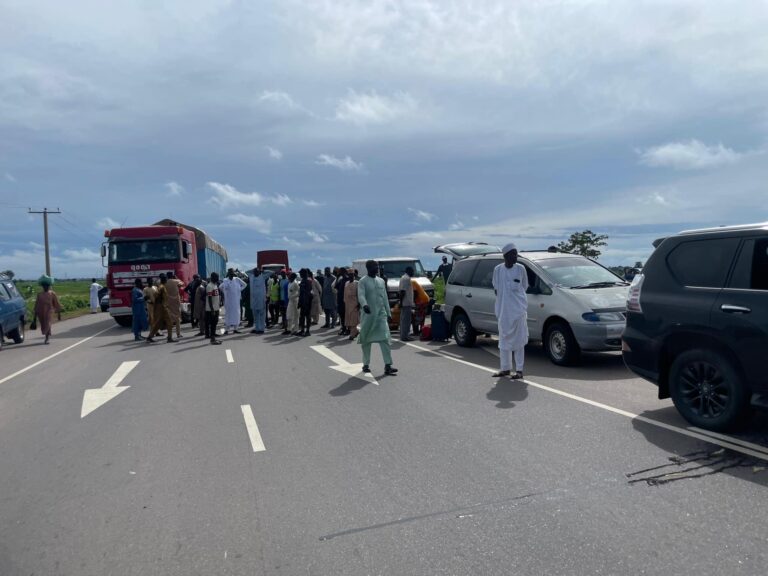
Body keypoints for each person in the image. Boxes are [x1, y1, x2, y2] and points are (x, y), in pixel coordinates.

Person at [491, 243, 529, 379]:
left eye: (516, 254)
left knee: (519, 341)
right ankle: (505, 368)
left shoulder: (521, 269)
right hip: (503, 311)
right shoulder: (497, 270)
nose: (516, 257)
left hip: (518, 311)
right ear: (505, 256)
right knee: (503, 341)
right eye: (513, 254)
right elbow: (496, 288)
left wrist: (515, 302)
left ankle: (519, 370)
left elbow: (524, 287)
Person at [358, 260, 398, 375]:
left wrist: (389, 314)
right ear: (368, 268)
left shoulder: (381, 281)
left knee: (385, 339)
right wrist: (364, 305)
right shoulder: (363, 281)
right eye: (375, 267)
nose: (377, 269)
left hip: (381, 315)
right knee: (366, 340)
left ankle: (388, 365)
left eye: (377, 267)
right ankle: (365, 364)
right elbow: (361, 295)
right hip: (368, 316)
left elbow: (384, 298)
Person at [33, 275, 61, 344]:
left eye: (46, 286)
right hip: (41, 311)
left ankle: (47, 338)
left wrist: (59, 314)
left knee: (48, 323)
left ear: (49, 286)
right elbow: (37, 304)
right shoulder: (39, 294)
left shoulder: (52, 294)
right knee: (43, 324)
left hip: (49, 311)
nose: (45, 287)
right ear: (42, 287)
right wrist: (35, 316)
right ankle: (46, 335)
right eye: (44, 286)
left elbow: (56, 303)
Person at [147, 273, 174, 343]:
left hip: (161, 306)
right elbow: (156, 294)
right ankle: (169, 338)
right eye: (166, 278)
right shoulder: (161, 287)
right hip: (162, 307)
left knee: (158, 323)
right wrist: (160, 301)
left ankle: (150, 337)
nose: (166, 280)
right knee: (169, 322)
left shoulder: (162, 286)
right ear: (164, 279)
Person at [220, 268, 246, 334]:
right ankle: (227, 330)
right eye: (230, 274)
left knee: (236, 314)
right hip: (228, 301)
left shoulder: (237, 279)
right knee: (228, 315)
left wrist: (239, 289)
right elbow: (220, 287)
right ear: (228, 274)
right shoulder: (225, 280)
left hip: (236, 301)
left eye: (232, 274)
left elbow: (245, 285)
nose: (231, 275)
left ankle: (236, 329)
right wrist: (224, 292)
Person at [165, 271, 185, 339]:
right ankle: (178, 334)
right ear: (173, 275)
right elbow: (182, 283)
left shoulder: (165, 282)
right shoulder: (176, 281)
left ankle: (169, 334)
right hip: (176, 301)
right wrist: (176, 278)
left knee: (169, 318)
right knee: (177, 318)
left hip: (168, 301)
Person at [205, 272, 223, 345]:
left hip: (216, 308)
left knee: (215, 323)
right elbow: (209, 298)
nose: (218, 278)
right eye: (217, 277)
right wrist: (212, 309)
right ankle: (212, 340)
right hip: (211, 309)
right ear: (212, 277)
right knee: (212, 324)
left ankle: (213, 337)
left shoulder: (215, 285)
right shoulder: (209, 286)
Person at [249, 267, 267, 334]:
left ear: (259, 272)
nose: (255, 272)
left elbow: (271, 272)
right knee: (255, 316)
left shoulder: (262, 277)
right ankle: (257, 328)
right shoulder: (251, 277)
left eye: (256, 271)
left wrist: (262, 271)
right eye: (254, 271)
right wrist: (253, 270)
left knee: (262, 316)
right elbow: (247, 271)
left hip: (261, 300)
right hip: (253, 300)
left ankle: (261, 329)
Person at [398, 266, 415, 341]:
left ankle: (403, 335)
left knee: (403, 320)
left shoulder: (404, 277)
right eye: (412, 271)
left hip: (406, 303)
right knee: (406, 321)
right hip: (406, 303)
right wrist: (401, 302)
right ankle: (405, 336)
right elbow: (402, 291)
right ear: (409, 271)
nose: (413, 273)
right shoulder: (406, 279)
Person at [344, 269, 360, 340]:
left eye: (352, 275)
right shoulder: (346, 283)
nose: (351, 276)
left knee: (354, 319)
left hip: (355, 304)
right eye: (349, 275)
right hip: (347, 304)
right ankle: (356, 331)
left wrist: (359, 303)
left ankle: (352, 334)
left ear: (354, 275)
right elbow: (345, 294)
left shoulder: (357, 283)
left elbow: (359, 294)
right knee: (349, 319)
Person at [298, 268, 313, 337]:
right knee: (302, 317)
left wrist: (306, 302)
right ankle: (302, 330)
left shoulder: (308, 281)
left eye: (301, 273)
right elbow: (301, 293)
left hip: (307, 302)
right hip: (302, 301)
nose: (300, 274)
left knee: (307, 316)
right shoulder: (303, 280)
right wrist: (300, 302)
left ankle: (307, 331)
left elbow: (308, 293)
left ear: (304, 273)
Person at [335, 267, 349, 336]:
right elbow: (335, 286)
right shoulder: (341, 279)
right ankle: (343, 329)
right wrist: (337, 278)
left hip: (345, 301)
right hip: (340, 300)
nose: (338, 273)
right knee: (342, 315)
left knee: (346, 316)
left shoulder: (347, 279)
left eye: (340, 272)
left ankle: (348, 330)